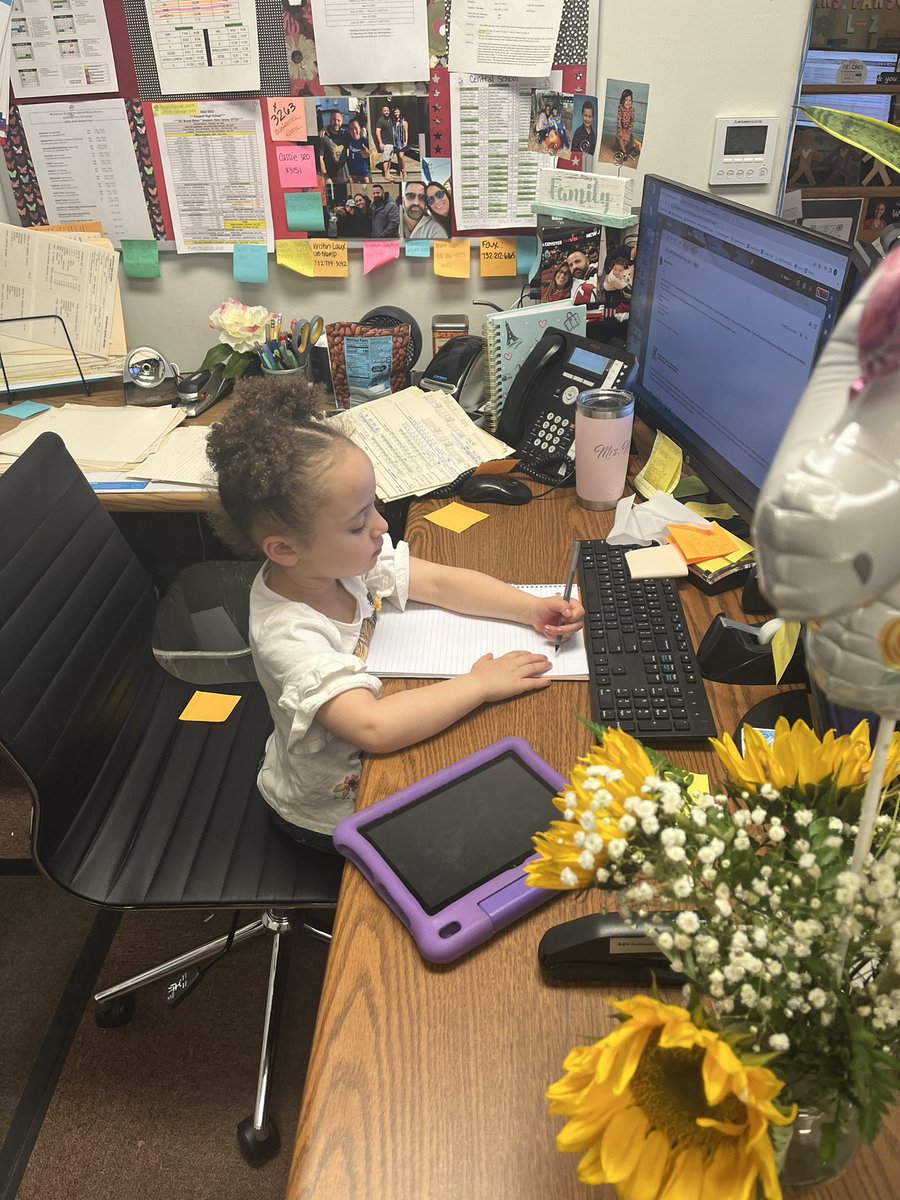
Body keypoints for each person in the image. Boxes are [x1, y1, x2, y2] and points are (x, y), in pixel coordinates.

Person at [205, 392, 584, 847]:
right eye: (356, 522)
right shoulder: (289, 633)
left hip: (371, 757)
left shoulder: (338, 564)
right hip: (332, 811)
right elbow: (374, 728)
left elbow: (440, 583)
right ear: (285, 549)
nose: (381, 526)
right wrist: (479, 683)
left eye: (374, 506)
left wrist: (527, 607)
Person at [320, 110, 351, 200]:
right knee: (331, 202)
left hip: (345, 177)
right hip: (331, 178)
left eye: (338, 120)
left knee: (346, 201)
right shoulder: (324, 137)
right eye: (334, 120)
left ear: (342, 121)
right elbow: (320, 158)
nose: (336, 122)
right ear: (330, 120)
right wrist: (326, 177)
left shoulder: (346, 135)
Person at [373, 102, 393, 179]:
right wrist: (381, 143)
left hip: (391, 143)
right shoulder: (380, 120)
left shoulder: (390, 119)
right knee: (386, 159)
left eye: (387, 110)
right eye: (385, 111)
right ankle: (386, 175)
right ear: (382, 112)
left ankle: (388, 173)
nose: (386, 112)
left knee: (390, 159)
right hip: (385, 143)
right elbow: (377, 131)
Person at [615, 89, 635, 159]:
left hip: (627, 128)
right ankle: (624, 153)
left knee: (626, 139)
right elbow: (619, 120)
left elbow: (632, 120)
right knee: (620, 137)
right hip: (621, 127)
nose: (628, 102)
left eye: (630, 100)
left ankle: (621, 151)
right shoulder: (621, 109)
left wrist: (629, 129)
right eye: (626, 100)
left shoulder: (632, 110)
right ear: (623, 100)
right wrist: (620, 130)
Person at [390, 106, 410, 178]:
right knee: (398, 157)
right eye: (395, 112)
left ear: (400, 112)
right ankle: (400, 170)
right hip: (396, 142)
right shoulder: (394, 122)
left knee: (401, 156)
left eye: (397, 112)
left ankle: (404, 170)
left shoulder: (404, 122)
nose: (396, 113)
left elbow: (406, 132)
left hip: (402, 142)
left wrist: (406, 141)